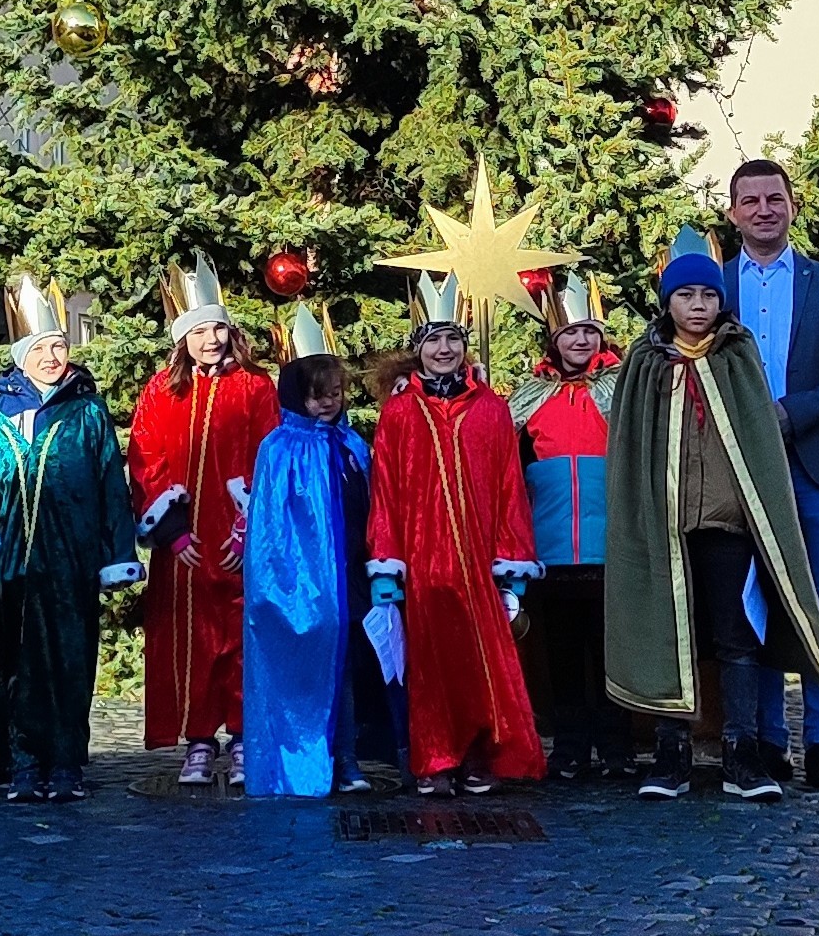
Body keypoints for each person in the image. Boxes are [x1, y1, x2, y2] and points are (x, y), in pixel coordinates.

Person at [604, 241, 819, 803]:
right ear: (668, 303)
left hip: (728, 524)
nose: (699, 305)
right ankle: (670, 754)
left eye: (708, 294)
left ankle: (742, 754)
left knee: (735, 638)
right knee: (669, 634)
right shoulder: (645, 362)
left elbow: (758, 443)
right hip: (665, 526)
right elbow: (630, 447)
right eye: (686, 295)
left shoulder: (737, 356)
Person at [0, 274, 143, 801]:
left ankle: (65, 765)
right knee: (16, 665)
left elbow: (110, 484)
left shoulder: (87, 411)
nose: (52, 356)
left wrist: (116, 554)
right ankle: (22, 763)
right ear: (21, 355)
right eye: (41, 348)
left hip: (71, 559)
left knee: (68, 660)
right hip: (15, 561)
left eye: (59, 346)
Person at [723, 158, 819, 790]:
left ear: (791, 206)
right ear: (732, 213)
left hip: (810, 460)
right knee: (752, 608)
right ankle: (765, 740)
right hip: (735, 470)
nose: (763, 210)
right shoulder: (714, 286)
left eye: (774, 199)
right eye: (750, 201)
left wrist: (792, 414)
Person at [365, 282, 544, 794]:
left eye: (453, 340)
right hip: (423, 567)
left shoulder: (489, 409)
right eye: (433, 341)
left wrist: (512, 564)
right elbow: (387, 493)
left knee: (480, 664)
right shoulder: (399, 414)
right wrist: (386, 565)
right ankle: (434, 759)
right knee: (432, 667)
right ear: (417, 348)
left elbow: (510, 487)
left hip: (480, 562)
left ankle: (478, 755)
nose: (444, 350)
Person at [128, 253, 279, 787]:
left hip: (239, 539)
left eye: (218, 326)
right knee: (190, 639)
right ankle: (198, 740)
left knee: (240, 635)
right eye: (200, 329)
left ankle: (242, 737)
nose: (211, 338)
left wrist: (248, 530)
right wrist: (170, 530)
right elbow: (145, 458)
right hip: (186, 542)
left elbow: (269, 457)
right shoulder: (162, 391)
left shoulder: (256, 388)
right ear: (182, 338)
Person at [242, 312, 373, 799]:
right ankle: (311, 758)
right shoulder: (279, 448)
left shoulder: (350, 444)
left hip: (350, 576)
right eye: (319, 395)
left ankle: (348, 759)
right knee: (310, 670)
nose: (328, 404)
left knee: (346, 668)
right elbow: (272, 531)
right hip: (304, 587)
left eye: (335, 394)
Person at [509, 269, 632, 782]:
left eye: (589, 331)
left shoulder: (622, 386)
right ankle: (571, 745)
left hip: (611, 545)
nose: (580, 340)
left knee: (610, 652)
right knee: (560, 651)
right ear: (553, 338)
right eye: (569, 332)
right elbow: (509, 465)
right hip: (552, 545)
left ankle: (617, 744)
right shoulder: (530, 396)